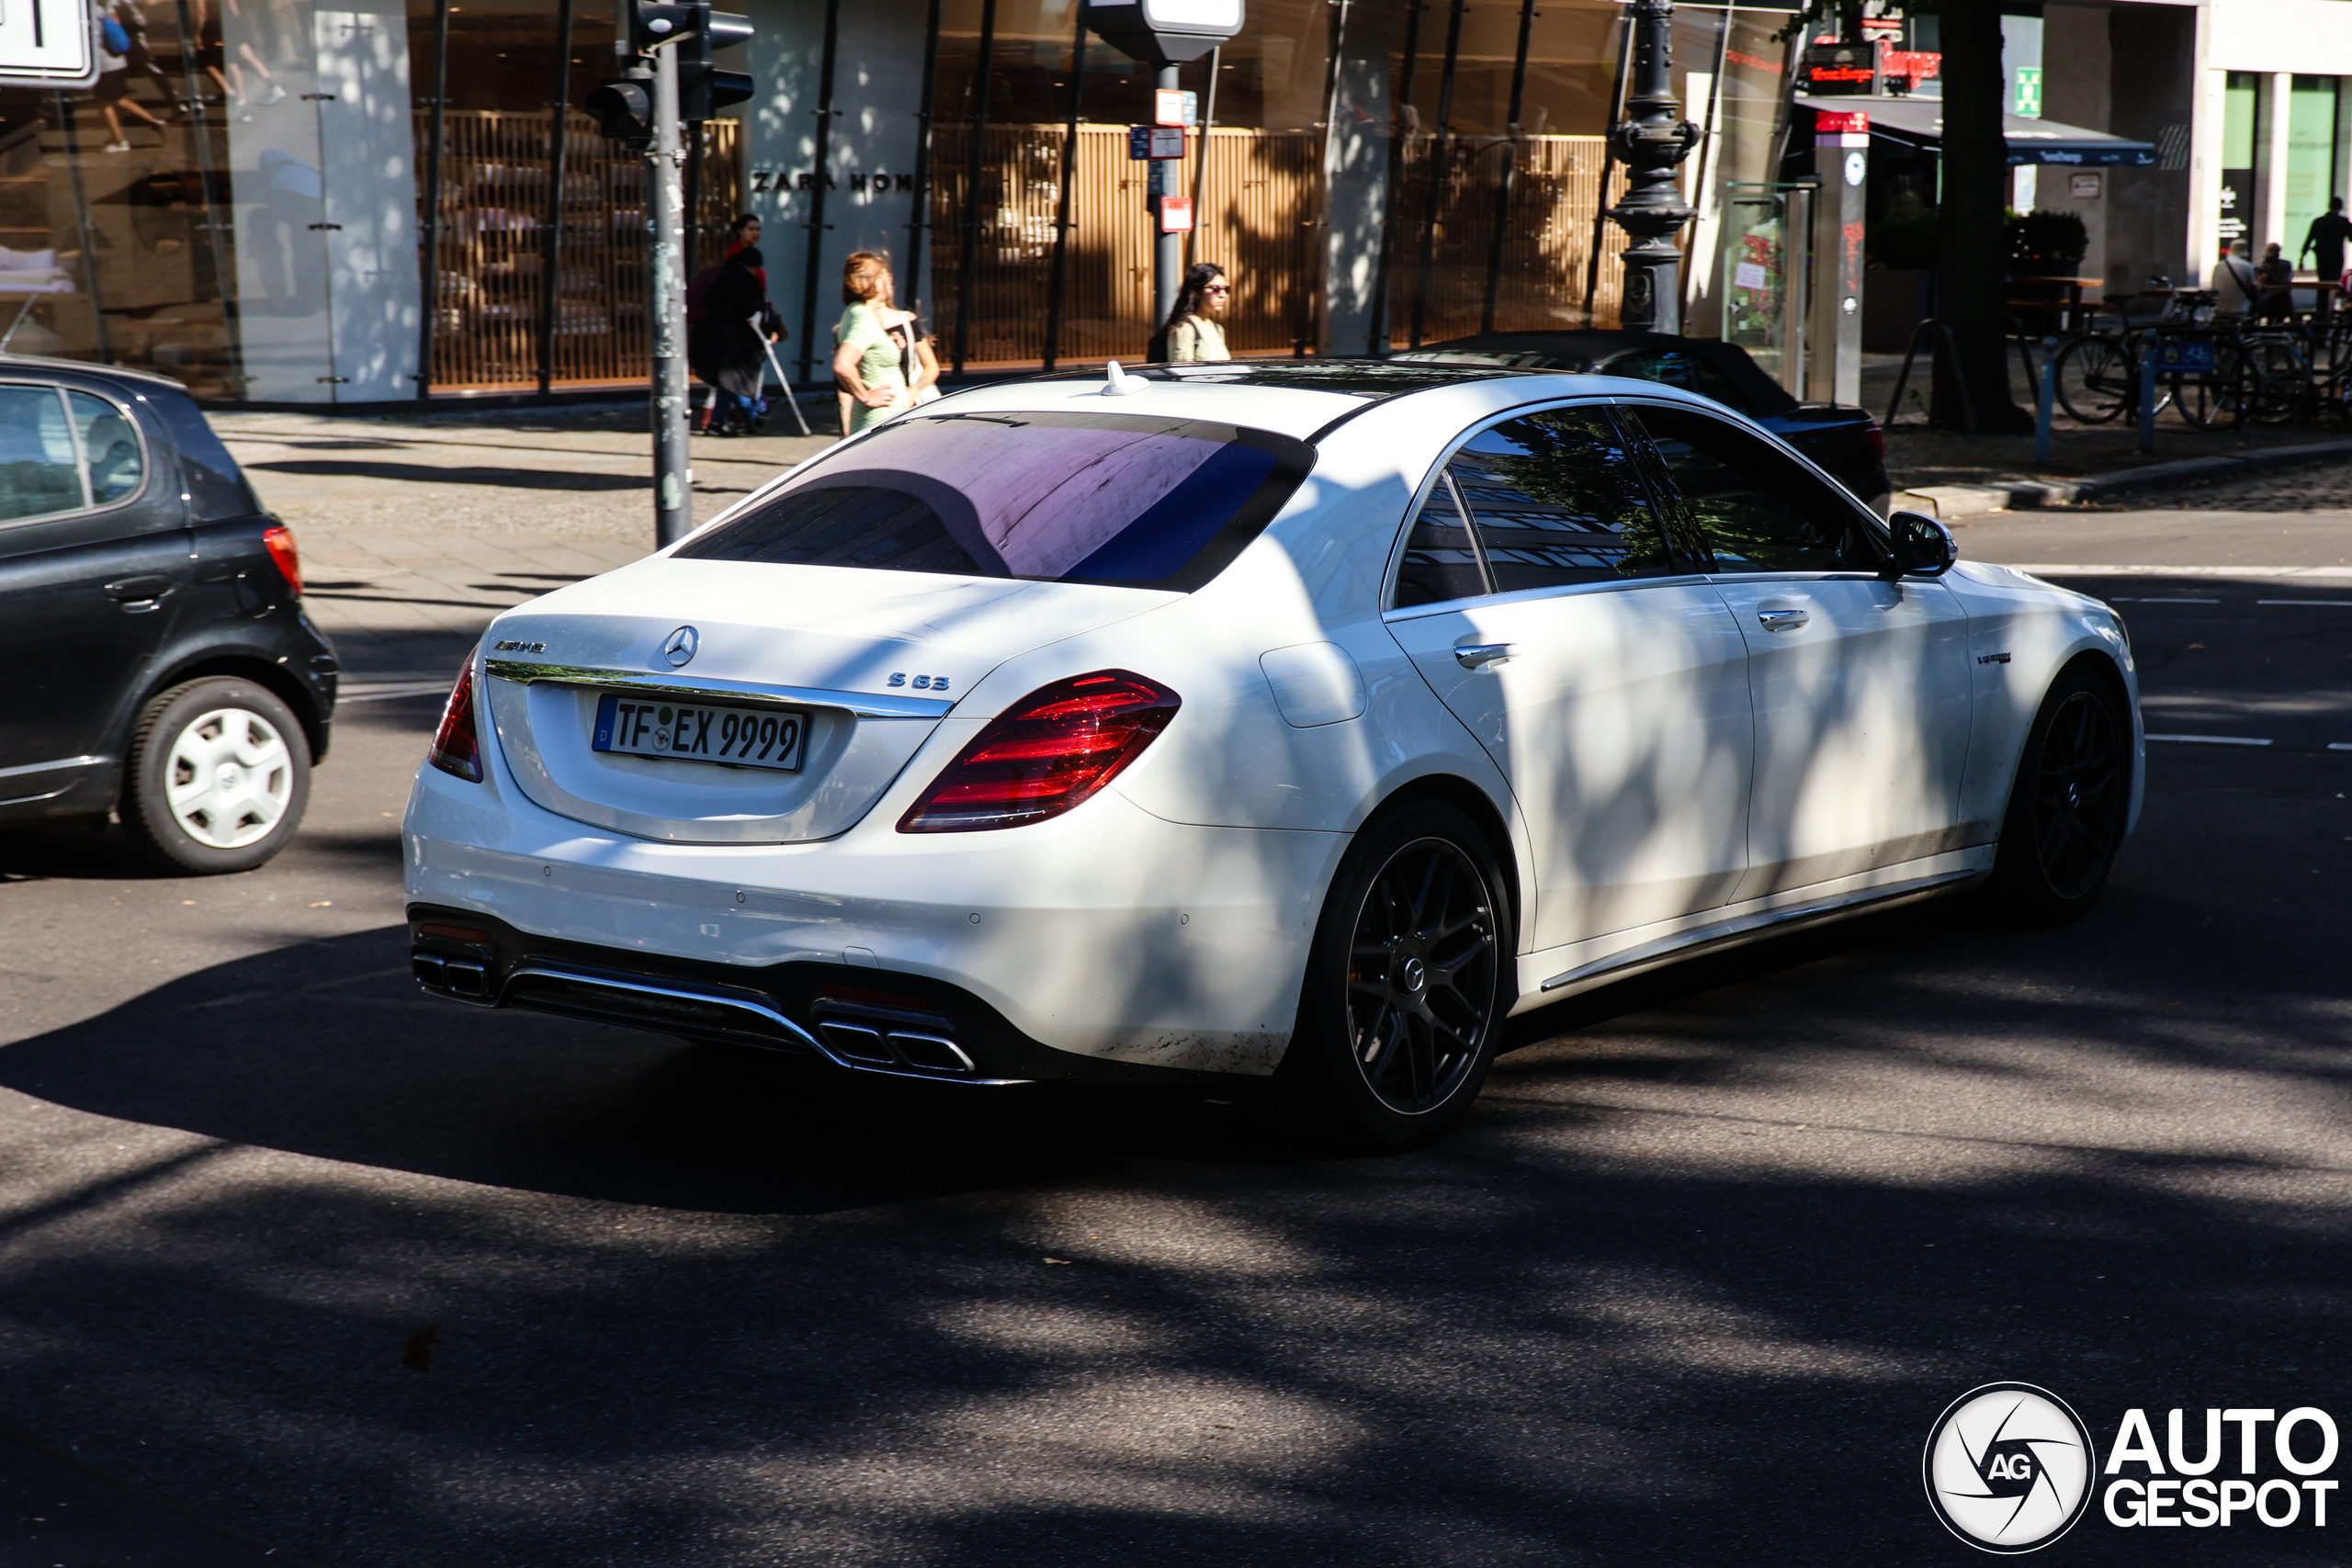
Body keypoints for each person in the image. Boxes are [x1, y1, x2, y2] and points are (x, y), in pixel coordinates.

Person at [688, 245, 781, 437]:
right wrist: (767, 332)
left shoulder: (720, 276)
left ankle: (727, 420)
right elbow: (751, 313)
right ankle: (744, 417)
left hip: (709, 336)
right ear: (753, 266)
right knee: (734, 379)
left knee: (728, 381)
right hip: (733, 340)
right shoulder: (744, 280)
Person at [832, 250, 919, 434]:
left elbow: (869, 353)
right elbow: (843, 364)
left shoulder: (854, 312)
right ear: (869, 282)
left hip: (883, 417)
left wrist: (891, 345)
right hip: (882, 418)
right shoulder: (864, 318)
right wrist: (866, 397)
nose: (889, 282)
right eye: (882, 276)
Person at [1162, 262, 1232, 362]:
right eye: (1215, 289)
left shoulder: (1218, 328)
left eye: (1226, 289)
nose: (1223, 295)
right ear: (1197, 291)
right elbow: (1183, 372)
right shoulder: (1186, 328)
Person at [2302, 197, 2352, 322]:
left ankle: (2321, 312)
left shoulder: (2318, 221)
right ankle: (2327, 315)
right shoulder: (2343, 221)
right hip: (2336, 258)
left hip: (2322, 258)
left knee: (2322, 284)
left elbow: (2309, 240)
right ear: (2340, 207)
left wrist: (2302, 257)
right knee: (2332, 285)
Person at [2209, 238, 2259, 317]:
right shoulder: (2247, 266)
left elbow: (2214, 288)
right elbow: (2253, 290)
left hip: (2220, 310)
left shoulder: (2218, 266)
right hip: (2240, 310)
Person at [2256, 241, 2295, 321]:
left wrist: (2274, 279)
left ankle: (2289, 322)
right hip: (2264, 297)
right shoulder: (2260, 267)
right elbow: (2257, 284)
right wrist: (2261, 277)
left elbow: (2287, 283)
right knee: (2285, 299)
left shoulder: (2285, 266)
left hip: (2279, 296)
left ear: (2277, 255)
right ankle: (2295, 322)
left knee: (2283, 298)